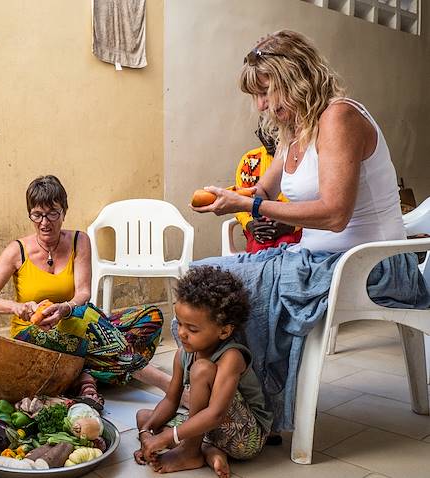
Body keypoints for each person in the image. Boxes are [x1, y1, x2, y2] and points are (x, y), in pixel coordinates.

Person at [189, 30, 430, 431]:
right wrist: (231, 196)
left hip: (372, 267)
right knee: (209, 279)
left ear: (296, 77)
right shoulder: (296, 129)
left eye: (266, 92)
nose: (261, 105)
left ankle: (248, 409)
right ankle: (226, 402)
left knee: (227, 286)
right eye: (256, 96)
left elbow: (336, 214)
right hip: (320, 261)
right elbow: (264, 190)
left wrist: (249, 205)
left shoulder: (340, 117)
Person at [0, 175, 167, 410]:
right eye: (37, 214)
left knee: (151, 316)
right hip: (33, 335)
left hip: (76, 322)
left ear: (64, 211)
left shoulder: (79, 241)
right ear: (30, 215)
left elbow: (83, 293)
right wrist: (17, 307)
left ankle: (85, 373)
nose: (45, 222)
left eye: (52, 213)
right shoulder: (18, 250)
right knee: (90, 322)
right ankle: (167, 384)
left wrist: (65, 308)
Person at [134, 266, 271, 477]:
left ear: (224, 330)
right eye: (179, 324)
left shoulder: (231, 357)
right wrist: (147, 433)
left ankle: (190, 451)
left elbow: (216, 414)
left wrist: (167, 437)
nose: (181, 333)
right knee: (144, 417)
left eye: (192, 329)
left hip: (246, 436)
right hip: (212, 430)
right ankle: (207, 450)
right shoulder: (183, 355)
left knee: (202, 369)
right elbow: (171, 401)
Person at [234, 121, 301, 253]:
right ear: (258, 135)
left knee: (286, 243)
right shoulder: (250, 160)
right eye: (264, 134)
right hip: (258, 225)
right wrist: (249, 224)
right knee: (260, 242)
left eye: (275, 133)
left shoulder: (297, 158)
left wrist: (292, 225)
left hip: (293, 225)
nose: (270, 138)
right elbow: (239, 199)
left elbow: (308, 203)